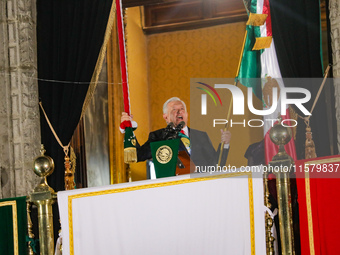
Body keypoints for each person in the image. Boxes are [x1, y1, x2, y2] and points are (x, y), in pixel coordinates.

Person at [120, 97, 231, 168]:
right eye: (174, 109)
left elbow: (216, 164)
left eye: (182, 109)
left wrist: (225, 144)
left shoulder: (201, 135)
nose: (179, 111)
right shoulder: (158, 136)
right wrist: (129, 130)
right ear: (166, 117)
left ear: (186, 114)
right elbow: (138, 155)